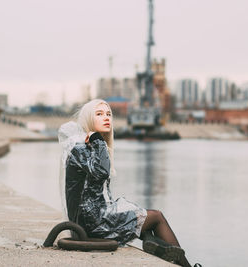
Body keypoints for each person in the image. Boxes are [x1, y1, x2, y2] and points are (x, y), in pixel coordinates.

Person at [58, 99, 200, 267]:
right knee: (156, 217)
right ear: (88, 119)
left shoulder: (85, 146)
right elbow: (102, 171)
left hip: (91, 219)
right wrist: (97, 139)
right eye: (99, 114)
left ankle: (154, 244)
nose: (106, 118)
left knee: (141, 218)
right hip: (92, 223)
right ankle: (186, 265)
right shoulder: (82, 147)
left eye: (109, 114)